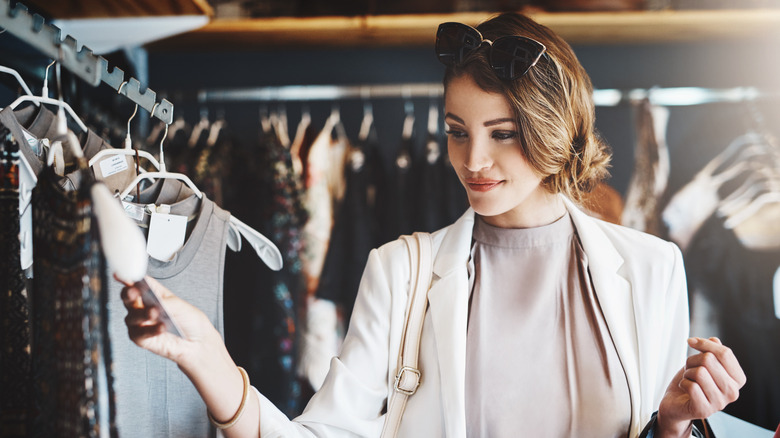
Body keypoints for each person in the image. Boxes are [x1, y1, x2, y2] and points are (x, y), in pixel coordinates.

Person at [120, 12, 746, 438]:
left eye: (502, 134)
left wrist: (673, 425)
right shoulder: (401, 273)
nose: (472, 161)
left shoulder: (651, 269)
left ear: (555, 131)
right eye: (456, 132)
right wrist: (210, 363)